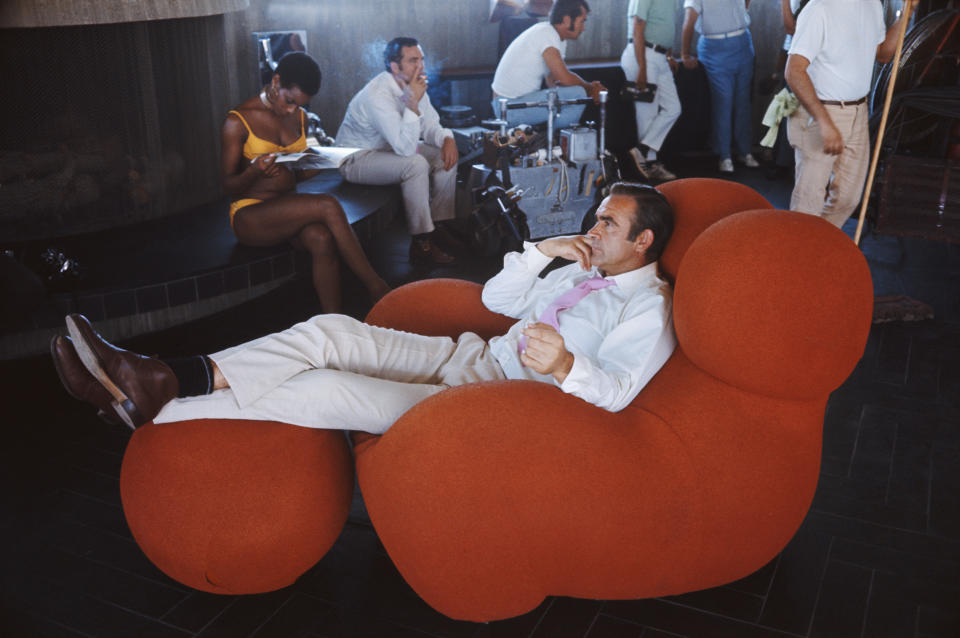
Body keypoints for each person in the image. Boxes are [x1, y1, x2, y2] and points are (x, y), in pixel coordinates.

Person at [51, 183, 677, 434]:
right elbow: (494, 300)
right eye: (596, 216)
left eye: (607, 222)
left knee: (327, 388)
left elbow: (619, 392)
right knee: (329, 328)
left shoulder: (648, 308)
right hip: (471, 357)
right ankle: (161, 378)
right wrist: (541, 252)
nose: (593, 228)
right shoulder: (577, 264)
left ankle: (156, 404)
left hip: (500, 401)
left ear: (643, 241)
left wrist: (567, 364)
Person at [222, 51, 390, 314]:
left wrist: (322, 162)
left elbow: (296, 173)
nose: (292, 110)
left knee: (321, 238)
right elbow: (228, 186)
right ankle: (377, 287)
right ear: (276, 81)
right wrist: (254, 171)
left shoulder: (299, 117)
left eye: (299, 105)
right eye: (289, 101)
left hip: (287, 208)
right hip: (250, 214)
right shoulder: (237, 120)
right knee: (327, 205)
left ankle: (332, 324)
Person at [785, 0, 912, 229]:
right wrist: (824, 121)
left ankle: (820, 248)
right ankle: (800, 257)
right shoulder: (819, 9)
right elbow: (794, 71)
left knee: (848, 197)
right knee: (808, 203)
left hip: (858, 111)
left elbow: (882, 54)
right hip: (821, 112)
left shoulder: (872, 5)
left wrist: (905, 16)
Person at [336, 37, 459, 266]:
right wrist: (412, 103)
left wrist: (447, 138)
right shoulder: (378, 95)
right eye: (413, 61)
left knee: (444, 156)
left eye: (421, 59)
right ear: (395, 67)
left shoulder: (413, 84)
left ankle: (437, 225)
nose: (421, 66)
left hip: (387, 151)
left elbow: (430, 124)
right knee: (416, 164)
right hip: (356, 158)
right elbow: (405, 149)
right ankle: (422, 243)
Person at [491, 0, 607, 129]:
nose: (583, 28)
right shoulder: (547, 34)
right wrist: (590, 88)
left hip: (511, 106)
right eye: (582, 21)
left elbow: (553, 79)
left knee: (573, 94)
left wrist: (589, 88)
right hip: (509, 108)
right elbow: (563, 78)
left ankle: (554, 141)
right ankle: (558, 143)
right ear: (567, 20)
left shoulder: (554, 36)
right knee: (578, 93)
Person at [680, 0, 760, 174]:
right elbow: (689, 21)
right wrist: (684, 54)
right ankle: (724, 155)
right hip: (714, 48)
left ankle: (744, 151)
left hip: (743, 43)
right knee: (723, 101)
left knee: (743, 102)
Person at [619, 0, 681, 182]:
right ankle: (649, 166)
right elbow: (638, 27)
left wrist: (668, 55)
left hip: (660, 57)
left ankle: (641, 150)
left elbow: (666, 26)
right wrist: (642, 68)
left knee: (674, 108)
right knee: (647, 115)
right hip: (642, 56)